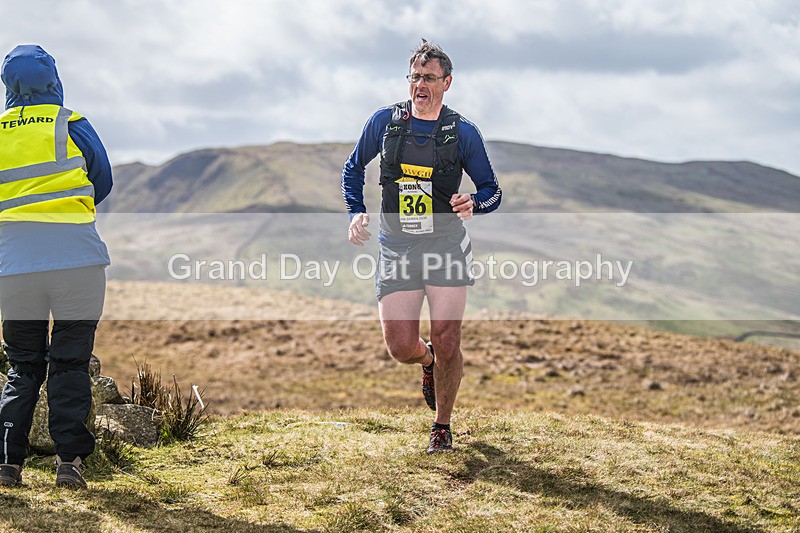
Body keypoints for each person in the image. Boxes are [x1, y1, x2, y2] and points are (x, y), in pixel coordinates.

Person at [341, 40, 501, 452]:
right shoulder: (385, 122)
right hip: (397, 247)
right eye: (415, 77)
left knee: (448, 338)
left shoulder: (463, 133)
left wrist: (474, 202)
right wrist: (356, 211)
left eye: (429, 77)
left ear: (447, 83)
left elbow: (492, 191)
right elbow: (353, 168)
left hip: (445, 245)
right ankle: (427, 361)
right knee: (400, 347)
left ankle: (441, 426)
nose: (420, 85)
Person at [0, 45, 113, 488]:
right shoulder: (72, 123)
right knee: (70, 362)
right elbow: (102, 180)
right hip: (76, 260)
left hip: (15, 267)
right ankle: (69, 463)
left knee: (22, 365)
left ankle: (8, 464)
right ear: (53, 79)